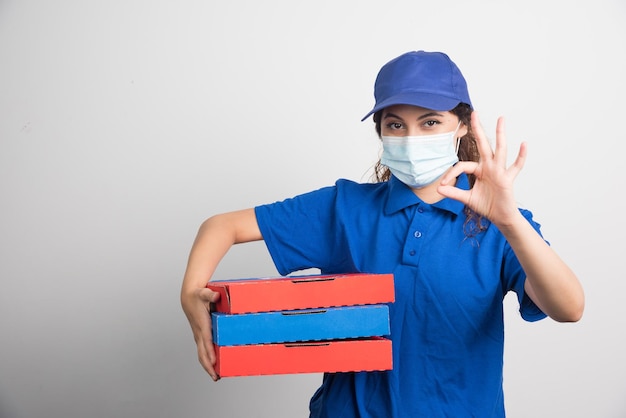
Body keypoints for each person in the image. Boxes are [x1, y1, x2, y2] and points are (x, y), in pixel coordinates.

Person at [181, 50, 585, 417]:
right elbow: (221, 226)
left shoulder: (503, 225)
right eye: (396, 124)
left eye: (430, 122)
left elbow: (569, 308)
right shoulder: (344, 208)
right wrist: (190, 293)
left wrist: (510, 222)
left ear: (462, 124)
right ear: (381, 131)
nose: (411, 139)